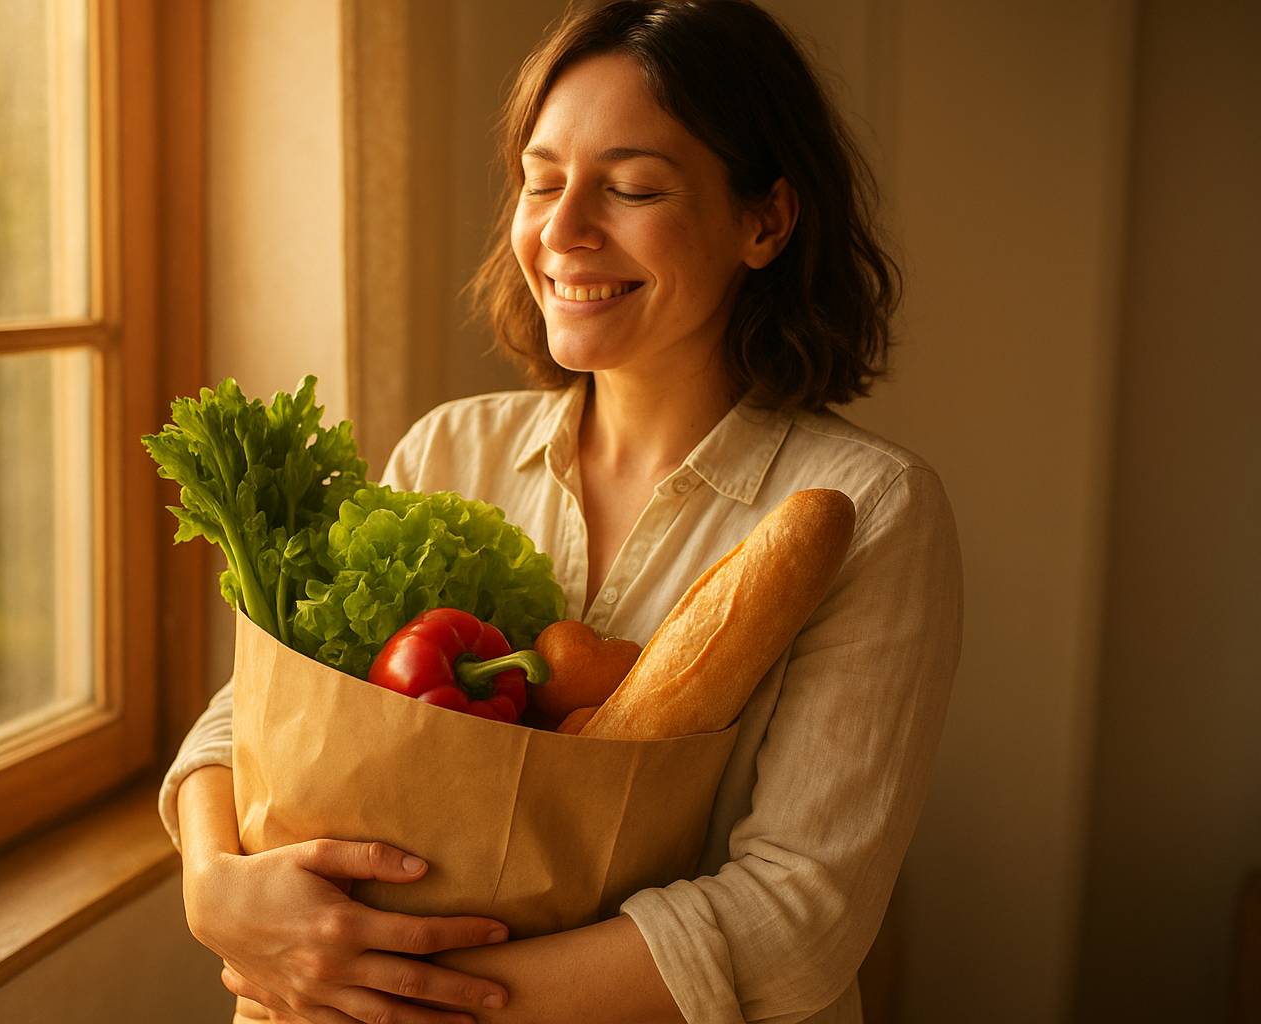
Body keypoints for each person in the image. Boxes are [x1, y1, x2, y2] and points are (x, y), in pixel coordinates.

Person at [161, 1, 963, 1021]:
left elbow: (794, 918)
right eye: (541, 182)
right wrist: (215, 890)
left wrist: (391, 992)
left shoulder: (876, 511)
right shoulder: (451, 449)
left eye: (631, 187)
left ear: (764, 220)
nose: (563, 230)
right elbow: (256, 713)